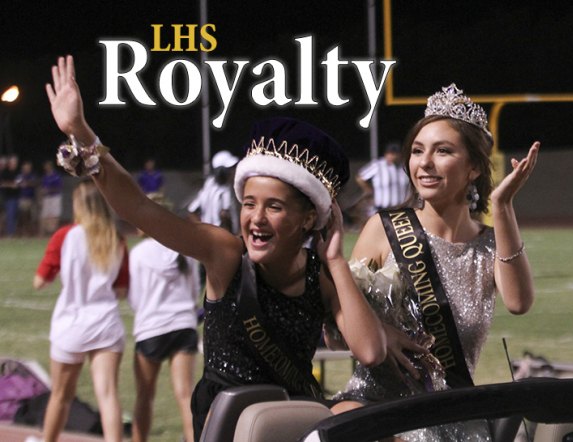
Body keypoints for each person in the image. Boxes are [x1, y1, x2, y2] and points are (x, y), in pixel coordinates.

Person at [45, 55, 386, 442]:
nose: (255, 217)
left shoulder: (318, 274)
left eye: (274, 206)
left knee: (356, 415)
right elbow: (139, 207)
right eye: (250, 203)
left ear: (309, 217)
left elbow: (371, 351)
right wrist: (81, 131)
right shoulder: (226, 255)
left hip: (291, 421)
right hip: (230, 425)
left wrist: (336, 261)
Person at [328, 84, 539, 441]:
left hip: (453, 417)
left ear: (473, 167)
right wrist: (380, 335)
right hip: (377, 410)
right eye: (417, 151)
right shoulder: (383, 229)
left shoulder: (488, 245)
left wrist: (503, 207)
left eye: (443, 151)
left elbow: (519, 302)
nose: (424, 163)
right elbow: (334, 332)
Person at [33, 180, 129, 442]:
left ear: (79, 206)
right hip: (106, 323)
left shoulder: (65, 236)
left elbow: (40, 282)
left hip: (72, 322)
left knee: (61, 396)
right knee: (108, 395)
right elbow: (121, 291)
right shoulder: (116, 237)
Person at [128, 195, 201, 442]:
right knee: (185, 395)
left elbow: (135, 299)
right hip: (184, 326)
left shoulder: (138, 254)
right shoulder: (184, 250)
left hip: (151, 328)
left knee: (144, 396)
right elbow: (194, 292)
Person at [188, 150, 239, 233]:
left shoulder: (214, 184)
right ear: (222, 171)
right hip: (219, 237)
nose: (234, 170)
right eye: (230, 168)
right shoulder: (214, 187)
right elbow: (225, 215)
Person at [356, 141, 411, 216]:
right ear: (386, 154)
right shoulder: (378, 165)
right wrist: (369, 190)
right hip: (381, 209)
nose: (393, 156)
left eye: (395, 154)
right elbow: (360, 178)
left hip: (401, 210)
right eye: (390, 153)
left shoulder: (404, 167)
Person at [39, 160, 64, 236]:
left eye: (47, 166)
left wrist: (49, 190)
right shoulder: (45, 176)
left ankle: (55, 233)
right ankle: (41, 233)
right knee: (44, 215)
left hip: (55, 197)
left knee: (55, 215)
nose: (46, 168)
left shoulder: (56, 176)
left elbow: (59, 188)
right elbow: (42, 187)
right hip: (46, 197)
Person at [16, 160, 38, 237]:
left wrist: (27, 183)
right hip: (23, 198)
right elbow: (17, 184)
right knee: (23, 216)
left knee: (31, 216)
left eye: (28, 168)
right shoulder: (20, 176)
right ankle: (24, 232)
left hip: (31, 198)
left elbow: (34, 183)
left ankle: (32, 233)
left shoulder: (32, 176)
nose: (26, 169)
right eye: (25, 168)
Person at [0, 154, 20, 237]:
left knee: (14, 215)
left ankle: (11, 232)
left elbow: (19, 182)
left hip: (16, 197)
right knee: (9, 215)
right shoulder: (5, 172)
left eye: (15, 162)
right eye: (12, 162)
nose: (14, 164)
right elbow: (2, 184)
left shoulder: (17, 172)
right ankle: (9, 233)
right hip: (7, 197)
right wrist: (11, 185)